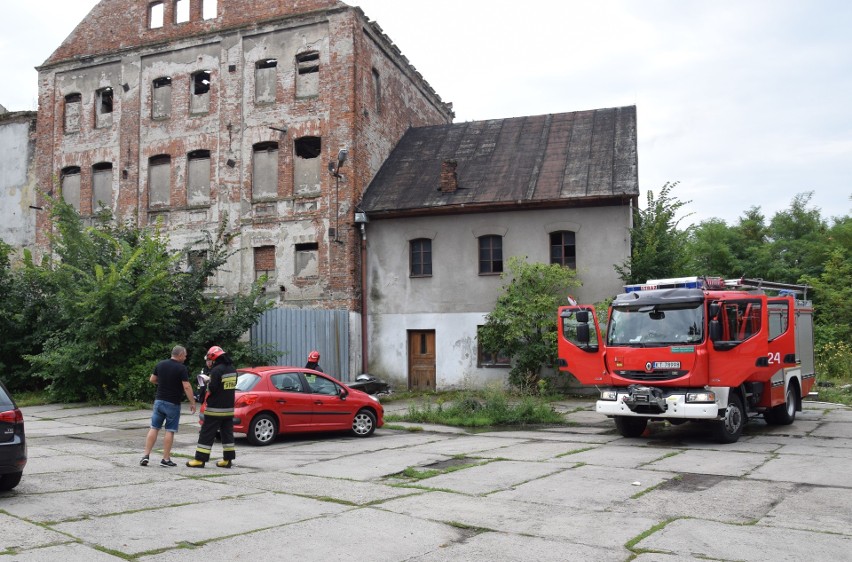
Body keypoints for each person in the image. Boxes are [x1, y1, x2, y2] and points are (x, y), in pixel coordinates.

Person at [141, 345, 196, 467]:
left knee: (154, 427)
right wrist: (192, 402)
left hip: (159, 401)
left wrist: (164, 383)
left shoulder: (160, 364)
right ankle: (165, 459)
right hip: (172, 404)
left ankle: (145, 455)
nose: (186, 357)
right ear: (180, 355)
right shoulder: (181, 368)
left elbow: (152, 379)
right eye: (185, 355)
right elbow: (186, 386)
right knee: (170, 430)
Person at [187, 345, 236, 468]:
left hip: (215, 409)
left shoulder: (216, 370)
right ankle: (227, 460)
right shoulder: (232, 369)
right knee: (227, 435)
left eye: (211, 359)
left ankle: (200, 460)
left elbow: (212, 388)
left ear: (215, 358)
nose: (211, 362)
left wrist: (206, 381)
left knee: (206, 434)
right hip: (228, 409)